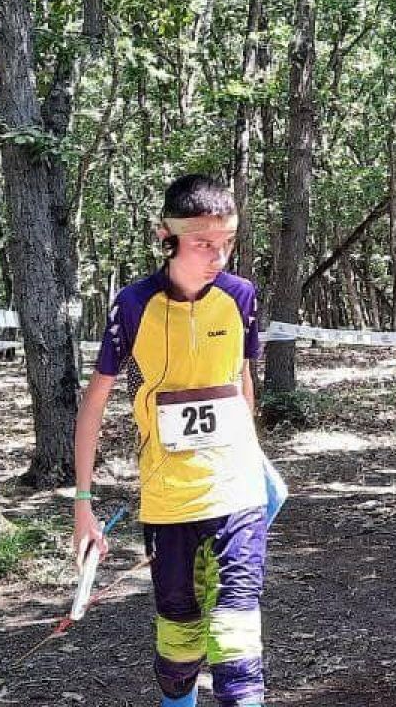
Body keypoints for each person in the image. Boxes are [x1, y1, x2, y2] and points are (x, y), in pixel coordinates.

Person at [72, 174, 271, 707]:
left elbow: (242, 379)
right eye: (203, 243)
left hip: (236, 491)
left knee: (236, 643)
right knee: (179, 647)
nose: (218, 256)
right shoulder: (133, 304)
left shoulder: (241, 296)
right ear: (167, 236)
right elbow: (94, 405)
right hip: (168, 500)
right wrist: (83, 505)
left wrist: (256, 460)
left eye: (227, 242)